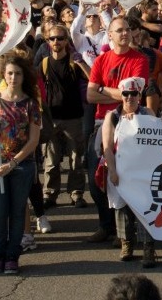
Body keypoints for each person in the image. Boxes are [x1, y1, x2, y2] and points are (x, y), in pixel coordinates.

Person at [86, 17, 150, 244]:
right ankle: (107, 225)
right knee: (97, 178)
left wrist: (104, 88)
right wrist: (120, 91)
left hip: (130, 125)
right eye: (119, 30)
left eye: (128, 30)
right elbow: (91, 95)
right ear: (109, 35)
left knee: (127, 178)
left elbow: (134, 94)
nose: (125, 33)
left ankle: (126, 233)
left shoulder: (140, 60)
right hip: (102, 123)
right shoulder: (101, 61)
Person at [0, 55, 41, 275]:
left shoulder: (31, 104)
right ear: (3, 75)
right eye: (10, 73)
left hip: (21, 165)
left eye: (18, 73)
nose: (13, 77)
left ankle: (12, 255)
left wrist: (13, 163)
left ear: (24, 76)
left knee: (16, 211)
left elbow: (33, 140)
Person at [102, 77, 158, 268]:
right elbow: (107, 147)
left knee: (145, 208)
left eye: (134, 94)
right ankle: (126, 243)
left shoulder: (147, 113)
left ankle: (148, 247)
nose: (129, 98)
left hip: (143, 171)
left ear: (139, 95)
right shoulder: (112, 116)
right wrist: (112, 171)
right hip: (121, 169)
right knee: (123, 209)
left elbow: (158, 137)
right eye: (126, 94)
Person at [38, 25, 89, 211]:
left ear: (67, 41)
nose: (56, 42)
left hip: (73, 117)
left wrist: (81, 62)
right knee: (51, 160)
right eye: (52, 39)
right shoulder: (43, 64)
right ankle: (50, 194)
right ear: (47, 41)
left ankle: (76, 194)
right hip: (51, 117)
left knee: (76, 159)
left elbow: (93, 78)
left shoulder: (74, 62)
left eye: (60, 38)